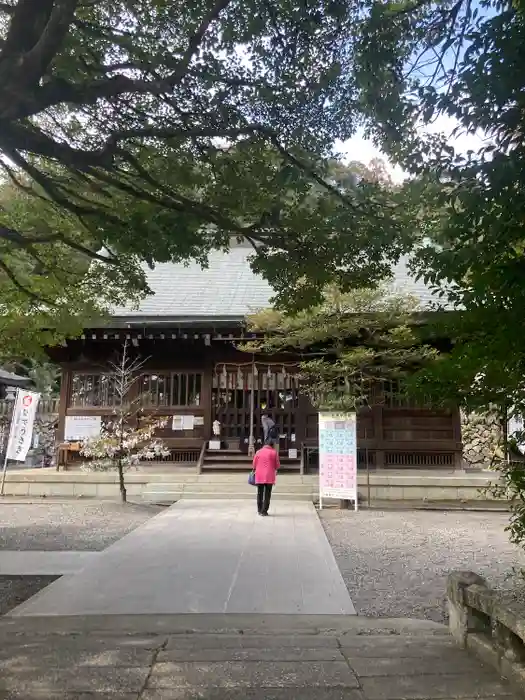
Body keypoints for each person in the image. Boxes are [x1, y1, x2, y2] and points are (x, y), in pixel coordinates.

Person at [253, 439, 280, 516]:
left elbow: (254, 464)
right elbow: (277, 465)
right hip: (269, 476)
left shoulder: (258, 452)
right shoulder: (274, 452)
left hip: (259, 475)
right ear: (272, 445)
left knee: (259, 493)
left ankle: (259, 509)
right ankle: (264, 511)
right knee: (267, 494)